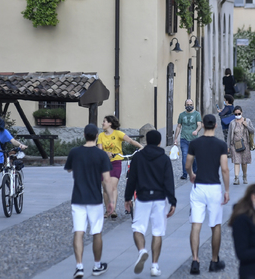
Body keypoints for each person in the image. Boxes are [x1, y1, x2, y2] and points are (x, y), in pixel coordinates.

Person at [124, 130, 177, 277]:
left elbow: (132, 179)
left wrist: (127, 197)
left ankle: (142, 251)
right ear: (160, 142)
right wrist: (172, 201)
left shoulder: (138, 157)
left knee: (138, 228)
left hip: (142, 197)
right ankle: (154, 266)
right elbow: (169, 181)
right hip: (160, 199)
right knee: (157, 232)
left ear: (146, 141)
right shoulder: (164, 159)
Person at [65, 124, 114, 278]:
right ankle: (97, 265)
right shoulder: (101, 155)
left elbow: (69, 169)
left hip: (78, 197)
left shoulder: (75, 152)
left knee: (78, 232)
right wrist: (111, 201)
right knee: (96, 232)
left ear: (84, 135)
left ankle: (79, 267)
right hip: (95, 199)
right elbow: (106, 180)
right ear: (97, 135)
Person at [185, 114, 230, 274]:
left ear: (203, 125)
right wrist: (227, 190)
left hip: (199, 187)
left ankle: (195, 261)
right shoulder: (221, 145)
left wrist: (191, 174)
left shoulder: (195, 143)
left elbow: (188, 164)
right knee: (215, 225)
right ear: (216, 125)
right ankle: (214, 260)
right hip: (214, 188)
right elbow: (224, 169)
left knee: (196, 224)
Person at [97, 115, 143, 219]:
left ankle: (112, 210)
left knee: (113, 187)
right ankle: (107, 209)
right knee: (105, 188)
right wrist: (106, 153)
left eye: (104, 121)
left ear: (110, 123)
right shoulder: (101, 136)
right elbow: (99, 150)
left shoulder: (118, 134)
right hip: (104, 164)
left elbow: (130, 141)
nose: (102, 123)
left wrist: (141, 147)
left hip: (116, 162)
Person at [173, 99, 202, 180]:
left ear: (193, 105)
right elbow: (179, 126)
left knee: (195, 157)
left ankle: (195, 172)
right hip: (184, 138)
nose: (189, 106)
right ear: (185, 105)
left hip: (194, 139)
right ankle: (185, 173)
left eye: (191, 104)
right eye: (188, 105)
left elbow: (199, 124)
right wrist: (175, 138)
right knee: (185, 156)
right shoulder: (181, 115)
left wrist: (196, 130)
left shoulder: (197, 114)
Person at [227, 106, 254, 185]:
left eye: (239, 113)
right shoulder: (232, 123)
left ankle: (244, 176)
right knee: (236, 161)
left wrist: (247, 125)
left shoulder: (247, 121)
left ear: (242, 113)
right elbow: (229, 135)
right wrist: (228, 146)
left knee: (244, 162)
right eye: (236, 114)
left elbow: (252, 131)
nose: (237, 115)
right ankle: (236, 178)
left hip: (245, 144)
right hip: (235, 144)